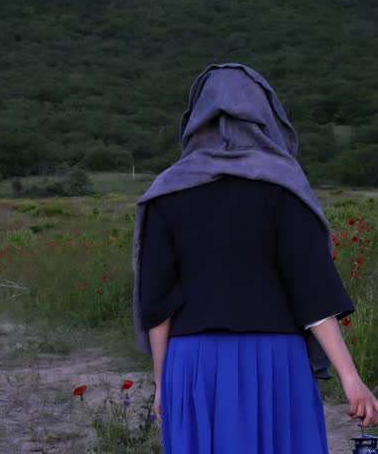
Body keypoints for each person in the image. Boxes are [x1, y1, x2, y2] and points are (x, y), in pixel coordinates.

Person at [131, 63, 378, 453]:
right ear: (267, 116)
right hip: (276, 363)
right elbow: (312, 293)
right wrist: (351, 378)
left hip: (196, 365)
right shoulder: (283, 188)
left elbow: (156, 304)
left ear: (196, 119)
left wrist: (163, 383)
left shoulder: (166, 194)